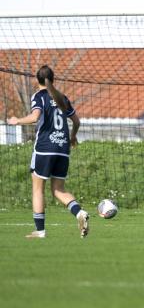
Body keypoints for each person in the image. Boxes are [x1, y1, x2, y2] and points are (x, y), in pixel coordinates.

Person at [7, 65, 89, 238]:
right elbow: (77, 121)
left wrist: (17, 121)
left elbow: (35, 117)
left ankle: (40, 231)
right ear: (53, 79)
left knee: (38, 189)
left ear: (37, 80)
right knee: (58, 189)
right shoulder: (63, 98)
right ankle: (79, 213)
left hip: (44, 148)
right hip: (62, 149)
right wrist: (72, 137)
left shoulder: (39, 96)